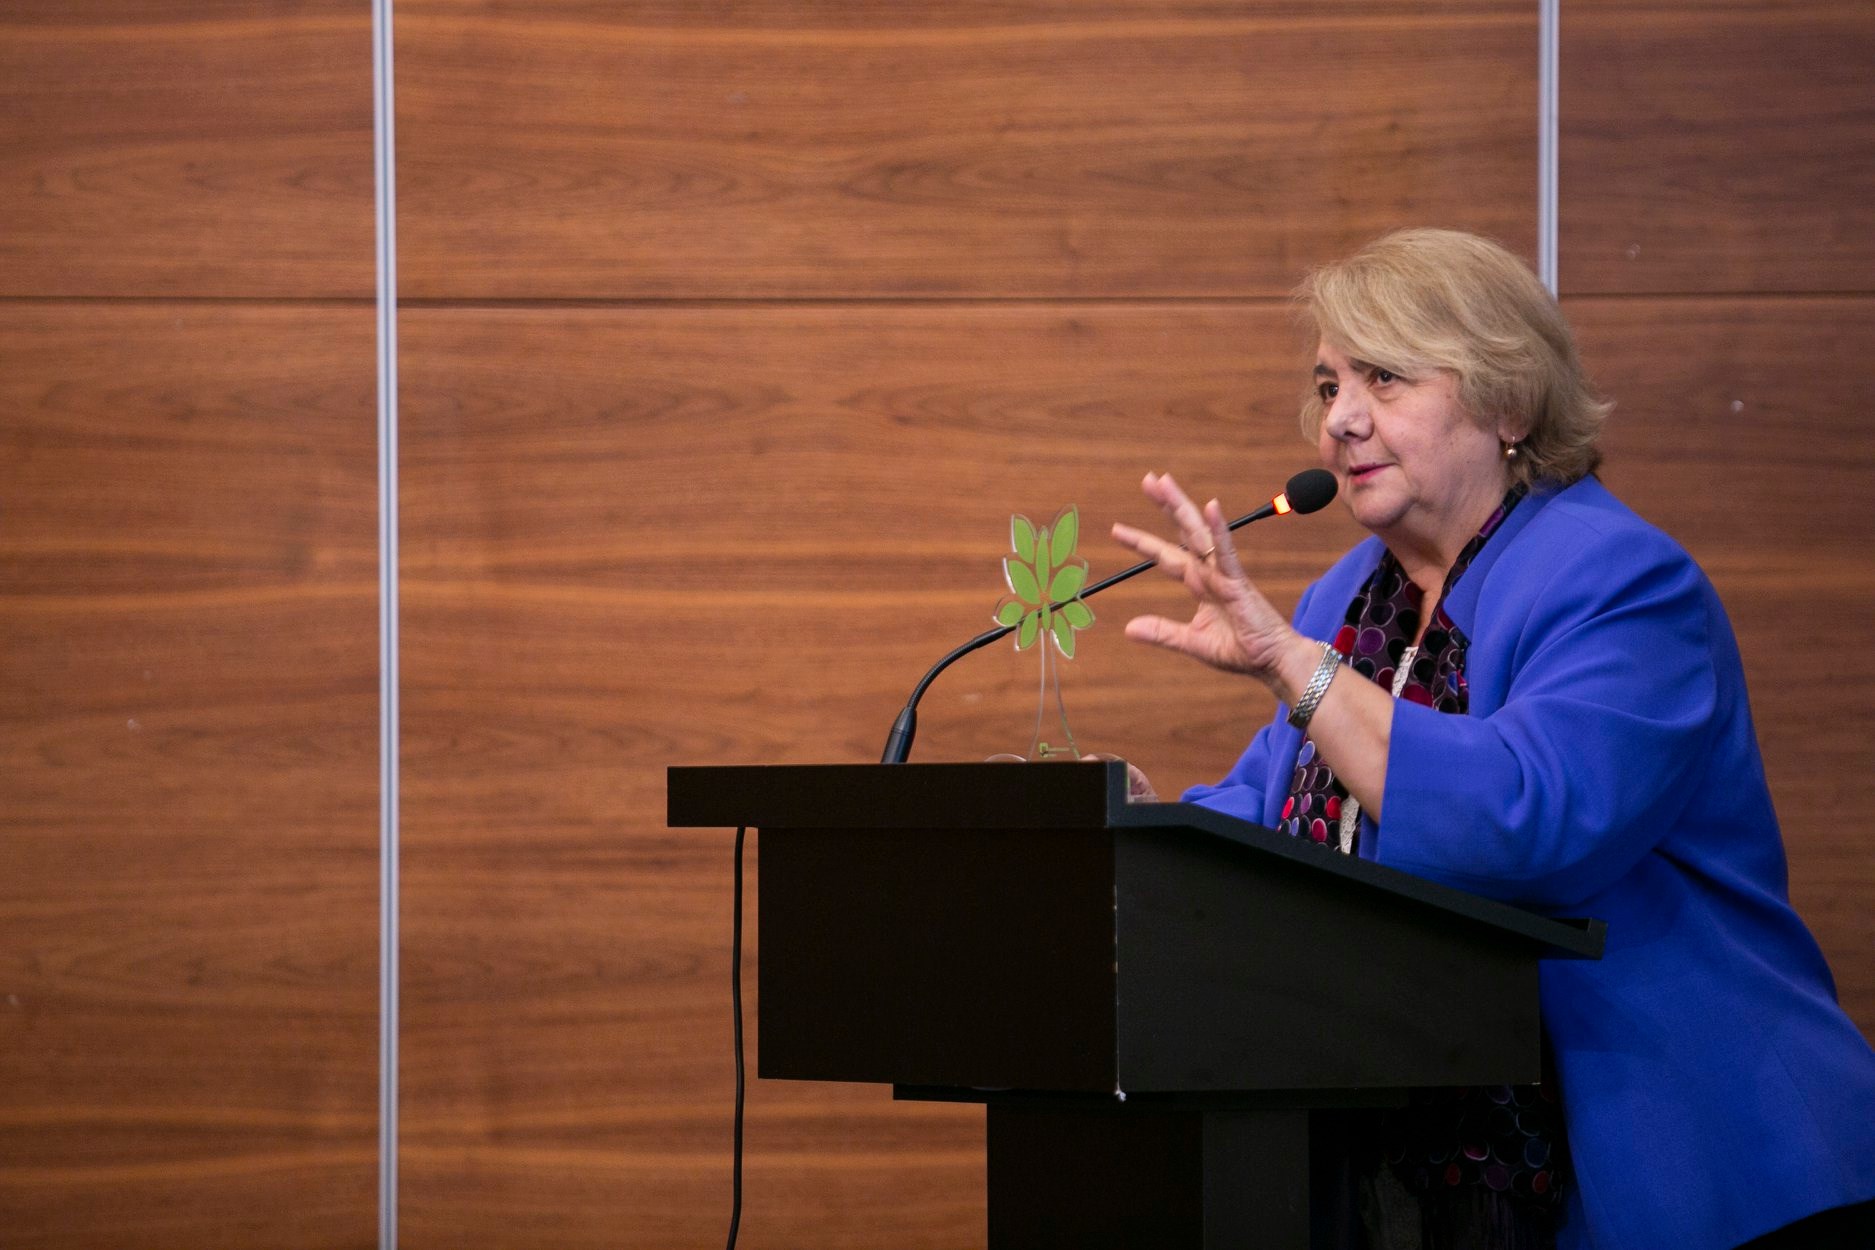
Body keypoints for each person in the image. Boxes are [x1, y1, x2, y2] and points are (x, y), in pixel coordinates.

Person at [1109, 228, 1875, 1250]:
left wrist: (1296, 667)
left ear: (1509, 404)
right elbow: (1281, 818)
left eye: (1383, 377)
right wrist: (1128, 837)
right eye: (1330, 383)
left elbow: (1527, 822)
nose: (1339, 419)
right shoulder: (1349, 599)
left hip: (1691, 1151)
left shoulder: (1623, 582)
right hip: (1410, 1167)